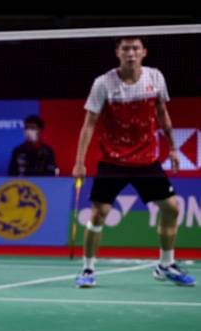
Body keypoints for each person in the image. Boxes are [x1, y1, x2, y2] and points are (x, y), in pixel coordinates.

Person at [73, 36, 194, 288]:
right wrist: (79, 161)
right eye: (126, 48)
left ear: (144, 52)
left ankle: (166, 264)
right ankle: (87, 269)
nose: (131, 52)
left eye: (135, 48)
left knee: (171, 208)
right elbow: (89, 124)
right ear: (117, 52)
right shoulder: (103, 83)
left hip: (146, 159)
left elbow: (162, 114)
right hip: (113, 160)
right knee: (99, 214)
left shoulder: (155, 78)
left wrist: (172, 148)